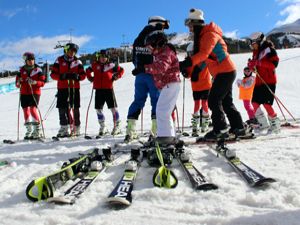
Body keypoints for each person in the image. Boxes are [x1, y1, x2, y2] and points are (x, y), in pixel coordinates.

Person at [180, 8, 251, 140]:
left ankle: (221, 129)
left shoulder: (209, 34)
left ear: (196, 23)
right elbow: (202, 62)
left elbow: (203, 55)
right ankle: (239, 127)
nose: (189, 28)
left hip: (225, 71)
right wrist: (188, 70)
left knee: (213, 100)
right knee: (226, 102)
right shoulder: (203, 37)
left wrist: (188, 62)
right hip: (223, 73)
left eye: (189, 24)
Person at [125, 16, 170, 142]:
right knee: (156, 101)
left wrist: (139, 68)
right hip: (153, 74)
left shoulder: (138, 38)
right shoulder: (157, 37)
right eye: (163, 26)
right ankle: (155, 131)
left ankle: (130, 131)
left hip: (140, 75)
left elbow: (134, 57)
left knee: (138, 100)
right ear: (159, 24)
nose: (163, 30)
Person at [132, 30, 181, 145]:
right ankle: (168, 135)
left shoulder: (166, 52)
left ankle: (165, 137)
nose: (149, 49)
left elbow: (161, 67)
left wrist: (144, 69)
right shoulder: (160, 54)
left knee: (162, 110)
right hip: (168, 84)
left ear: (157, 43)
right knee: (163, 110)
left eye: (150, 46)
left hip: (171, 83)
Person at [50, 43, 86, 137]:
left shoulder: (78, 62)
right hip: (62, 88)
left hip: (74, 88)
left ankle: (76, 128)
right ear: (66, 50)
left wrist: (78, 77)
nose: (72, 53)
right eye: (70, 51)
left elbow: (83, 75)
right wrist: (62, 76)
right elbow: (53, 74)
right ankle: (64, 128)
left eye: (74, 51)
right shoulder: (59, 60)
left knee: (75, 108)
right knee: (62, 108)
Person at [86, 49, 124, 136]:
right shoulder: (95, 65)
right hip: (98, 90)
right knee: (98, 109)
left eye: (105, 57)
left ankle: (117, 126)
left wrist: (116, 76)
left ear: (107, 58)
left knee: (113, 108)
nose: (103, 58)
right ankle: (103, 127)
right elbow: (87, 71)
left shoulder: (111, 65)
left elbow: (121, 70)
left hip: (108, 89)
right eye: (101, 57)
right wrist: (90, 78)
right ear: (98, 57)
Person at [247, 32, 280, 133]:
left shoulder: (269, 49)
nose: (253, 46)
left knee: (267, 104)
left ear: (260, 41)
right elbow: (256, 68)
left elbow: (274, 64)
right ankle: (264, 124)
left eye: (254, 43)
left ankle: (275, 125)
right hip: (259, 81)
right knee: (254, 103)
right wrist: (252, 67)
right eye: (251, 44)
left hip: (269, 81)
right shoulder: (255, 53)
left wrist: (259, 62)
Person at [183, 42, 212, 136]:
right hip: (197, 86)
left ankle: (204, 125)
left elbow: (207, 62)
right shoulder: (190, 62)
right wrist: (185, 72)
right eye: (189, 53)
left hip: (205, 86)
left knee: (203, 104)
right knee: (198, 105)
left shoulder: (202, 59)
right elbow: (188, 74)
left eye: (191, 53)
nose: (190, 55)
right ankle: (196, 126)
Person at [16, 52, 46, 139]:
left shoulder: (38, 70)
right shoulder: (21, 70)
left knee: (33, 109)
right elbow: (17, 84)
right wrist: (19, 82)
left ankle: (37, 130)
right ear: (25, 61)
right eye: (29, 60)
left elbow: (43, 82)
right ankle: (29, 130)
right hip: (24, 93)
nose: (31, 61)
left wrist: (35, 82)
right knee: (25, 111)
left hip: (35, 92)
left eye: (32, 59)